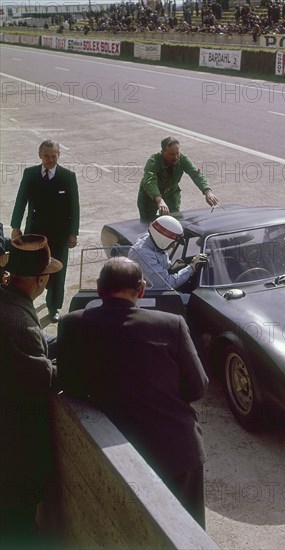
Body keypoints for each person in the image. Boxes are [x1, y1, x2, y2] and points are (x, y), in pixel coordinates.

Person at [57, 257, 209, 528]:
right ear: (140, 289)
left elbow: (70, 383)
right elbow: (198, 387)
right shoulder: (171, 324)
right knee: (187, 530)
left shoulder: (71, 325)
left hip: (114, 453)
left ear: (99, 289)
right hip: (176, 450)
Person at [0, 235, 62, 547]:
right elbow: (43, 379)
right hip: (11, 456)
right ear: (40, 279)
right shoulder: (16, 322)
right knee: (15, 525)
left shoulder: (7, 299)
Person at [10, 139, 80, 322]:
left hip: (59, 235)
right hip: (34, 233)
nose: (50, 160)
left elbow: (74, 207)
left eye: (54, 156)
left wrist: (73, 233)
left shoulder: (68, 176)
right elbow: (21, 201)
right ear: (39, 155)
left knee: (57, 272)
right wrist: (15, 227)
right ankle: (26, 303)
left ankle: (54, 306)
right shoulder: (30, 174)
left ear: (59, 155)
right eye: (46, 156)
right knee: (30, 269)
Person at [137, 136, 218, 222]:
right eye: (171, 154)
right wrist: (159, 200)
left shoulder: (182, 159)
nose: (175, 157)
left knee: (174, 221)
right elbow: (150, 182)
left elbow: (195, 174)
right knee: (147, 224)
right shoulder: (153, 161)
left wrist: (207, 192)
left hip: (171, 194)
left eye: (177, 153)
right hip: (150, 197)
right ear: (163, 152)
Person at [128, 215, 206, 302]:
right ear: (162, 240)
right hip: (152, 297)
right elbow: (165, 285)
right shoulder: (143, 254)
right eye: (172, 243)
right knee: (195, 301)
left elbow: (165, 266)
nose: (173, 246)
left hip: (161, 289)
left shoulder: (154, 241)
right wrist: (191, 268)